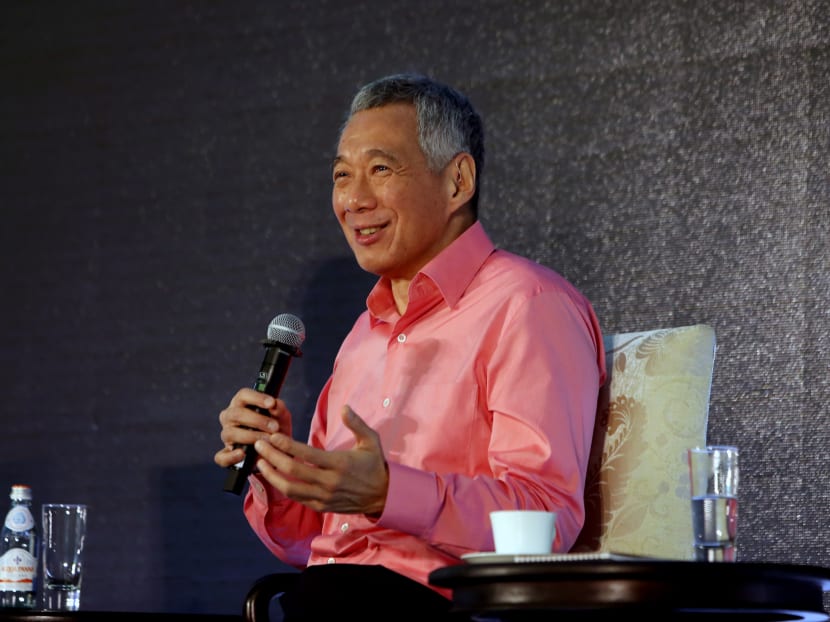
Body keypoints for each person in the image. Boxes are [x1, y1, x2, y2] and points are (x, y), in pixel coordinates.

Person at [215, 73, 607, 620]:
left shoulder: (528, 303)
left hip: (443, 608)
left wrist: (389, 493)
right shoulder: (363, 334)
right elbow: (309, 544)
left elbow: (545, 519)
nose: (353, 199)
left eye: (380, 169)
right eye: (341, 175)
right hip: (332, 601)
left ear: (457, 181)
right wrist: (279, 471)